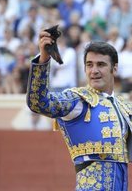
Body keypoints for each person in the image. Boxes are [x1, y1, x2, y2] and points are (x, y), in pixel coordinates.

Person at [26, 29, 132, 190]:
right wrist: (43, 59)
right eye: (89, 65)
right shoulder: (78, 100)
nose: (94, 70)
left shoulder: (124, 106)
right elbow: (39, 102)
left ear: (114, 68)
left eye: (101, 64)